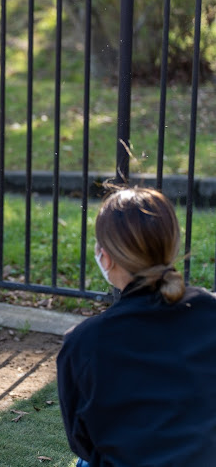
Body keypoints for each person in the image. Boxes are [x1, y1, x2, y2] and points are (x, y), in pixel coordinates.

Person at [57, 186, 216, 467]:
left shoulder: (84, 342)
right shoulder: (209, 310)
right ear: (172, 244)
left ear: (105, 256)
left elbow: (82, 442)